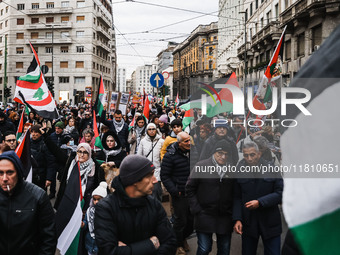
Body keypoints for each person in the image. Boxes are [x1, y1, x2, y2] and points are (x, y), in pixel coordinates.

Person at [94, 154, 177, 254]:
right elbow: (109, 251)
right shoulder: (105, 208)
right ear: (134, 180)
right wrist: (150, 245)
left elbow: (170, 243)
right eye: (150, 175)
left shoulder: (154, 204)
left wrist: (126, 250)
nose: (155, 180)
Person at [0, 151, 56, 255]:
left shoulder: (37, 196)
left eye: (9, 172)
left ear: (18, 172)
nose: (4, 179)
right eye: (0, 173)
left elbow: (49, 237)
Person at [233, 142, 283, 255]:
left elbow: (280, 193)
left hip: (270, 221)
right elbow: (237, 197)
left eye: (252, 155)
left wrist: (260, 202)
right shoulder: (239, 171)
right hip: (249, 222)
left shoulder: (272, 169)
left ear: (259, 154)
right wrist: (237, 218)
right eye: (246, 155)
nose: (249, 158)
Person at [186, 140, 235, 255]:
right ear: (214, 152)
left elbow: (235, 192)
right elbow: (189, 188)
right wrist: (196, 209)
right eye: (220, 153)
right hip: (204, 215)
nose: (223, 157)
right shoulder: (201, 166)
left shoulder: (232, 169)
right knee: (204, 248)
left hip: (225, 216)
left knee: (224, 248)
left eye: (226, 154)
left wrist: (233, 212)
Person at [161, 131, 193, 255]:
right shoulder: (170, 155)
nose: (189, 143)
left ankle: (181, 237)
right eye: (186, 141)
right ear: (179, 143)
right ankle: (177, 245)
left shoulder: (193, 152)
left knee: (192, 221)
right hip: (179, 194)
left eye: (190, 140)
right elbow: (165, 176)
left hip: (192, 193)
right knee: (181, 221)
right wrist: (175, 191)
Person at [137, 123, 164, 201]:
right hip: (146, 172)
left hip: (157, 171)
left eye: (153, 129)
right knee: (147, 194)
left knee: (157, 192)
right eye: (150, 129)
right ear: (147, 130)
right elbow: (139, 156)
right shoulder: (143, 141)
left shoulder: (161, 141)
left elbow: (163, 156)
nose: (152, 131)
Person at [82, 181, 108, 255]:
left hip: (101, 246)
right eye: (94, 199)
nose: (96, 202)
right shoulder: (89, 210)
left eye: (99, 199)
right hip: (89, 244)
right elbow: (86, 223)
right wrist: (83, 224)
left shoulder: (108, 213)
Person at [30, 124, 56, 191]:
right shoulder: (28, 143)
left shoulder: (45, 145)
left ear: (40, 133)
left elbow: (50, 163)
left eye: (36, 132)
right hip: (30, 176)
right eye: (32, 132)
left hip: (41, 176)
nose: (33, 134)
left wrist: (49, 178)